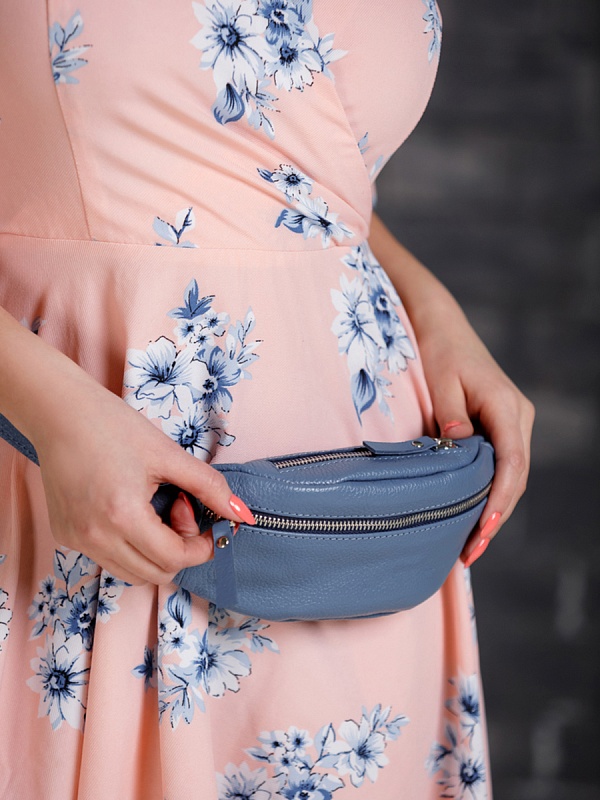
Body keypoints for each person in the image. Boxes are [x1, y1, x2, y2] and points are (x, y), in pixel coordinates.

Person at [0, 1, 533, 797]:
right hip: (84, 467)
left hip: (367, 522)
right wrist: (50, 407)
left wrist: (433, 313)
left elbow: (303, 180)